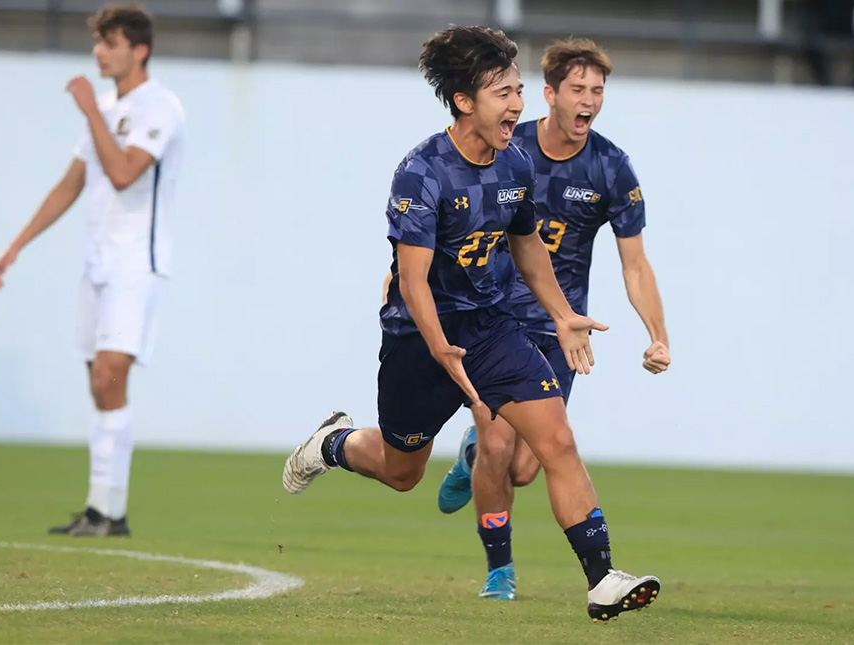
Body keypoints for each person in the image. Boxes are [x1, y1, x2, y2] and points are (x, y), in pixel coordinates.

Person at [281, 26, 661, 622]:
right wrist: (439, 349)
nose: (516, 105)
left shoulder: (514, 162)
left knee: (555, 440)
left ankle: (601, 578)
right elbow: (411, 282)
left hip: (492, 328)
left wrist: (563, 316)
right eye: (502, 93)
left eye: (517, 91)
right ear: (465, 102)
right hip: (419, 339)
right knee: (403, 471)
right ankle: (333, 444)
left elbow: (528, 244)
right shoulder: (422, 171)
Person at [434, 38, 671, 602]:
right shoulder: (511, 149)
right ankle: (500, 571)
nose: (589, 100)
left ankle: (471, 452)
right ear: (552, 94)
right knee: (498, 446)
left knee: (523, 467)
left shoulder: (611, 167)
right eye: (578, 89)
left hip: (558, 329)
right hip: (491, 317)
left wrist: (658, 336)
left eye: (598, 91)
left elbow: (635, 263)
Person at [0, 2, 186, 537]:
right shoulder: (103, 106)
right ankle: (102, 510)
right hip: (96, 264)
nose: (99, 51)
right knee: (96, 385)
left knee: (109, 376)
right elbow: (71, 183)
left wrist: (89, 111)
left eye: (110, 42)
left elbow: (124, 174)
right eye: (98, 41)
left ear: (138, 50)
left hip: (134, 266)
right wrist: (17, 245)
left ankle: (110, 511)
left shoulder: (160, 108)